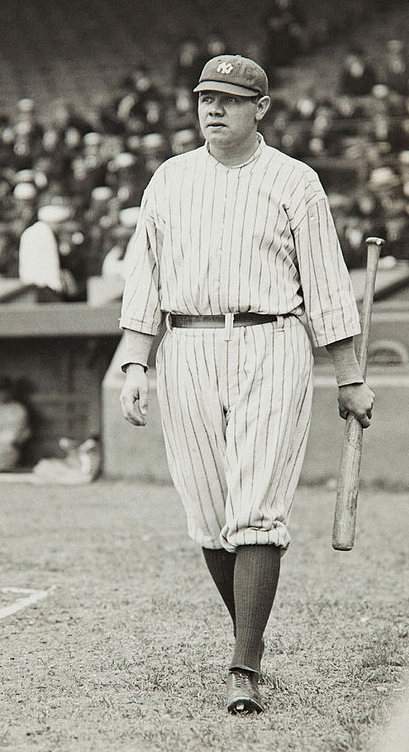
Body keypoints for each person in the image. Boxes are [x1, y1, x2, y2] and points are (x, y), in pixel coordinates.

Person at [118, 54, 374, 715]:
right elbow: (142, 282)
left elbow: (324, 283)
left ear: (261, 108)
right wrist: (135, 364)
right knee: (208, 513)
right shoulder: (169, 180)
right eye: (206, 96)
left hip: (271, 338)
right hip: (189, 342)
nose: (213, 108)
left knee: (256, 504)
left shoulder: (295, 181)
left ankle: (243, 665)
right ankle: (250, 633)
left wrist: (348, 375)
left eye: (230, 99)